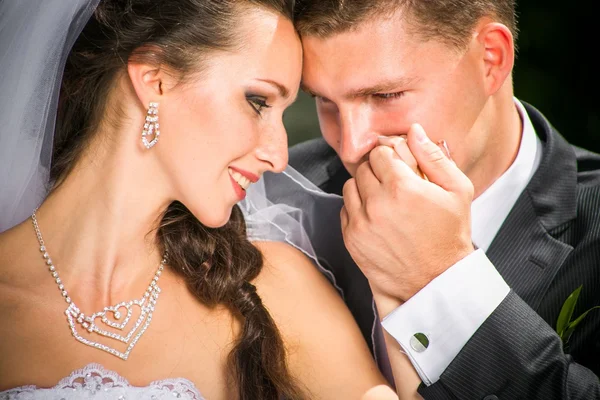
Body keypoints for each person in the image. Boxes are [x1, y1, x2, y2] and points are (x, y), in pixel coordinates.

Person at [0, 1, 393, 399]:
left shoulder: (273, 291)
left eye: (284, 114)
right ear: (155, 81)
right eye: (258, 102)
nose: (279, 155)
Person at [290, 0, 600, 398]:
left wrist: (442, 277)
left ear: (491, 59)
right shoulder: (278, 196)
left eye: (385, 95)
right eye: (324, 101)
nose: (351, 147)